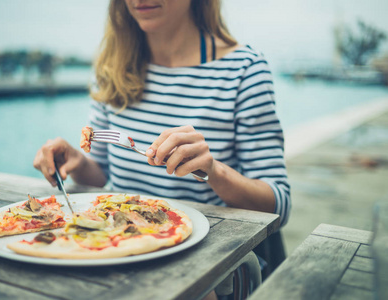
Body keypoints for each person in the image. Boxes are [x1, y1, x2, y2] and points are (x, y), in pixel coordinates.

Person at [34, 0, 290, 297]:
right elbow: (101, 172)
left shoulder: (244, 69)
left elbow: (279, 204)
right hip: (114, 251)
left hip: (211, 271)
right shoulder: (112, 65)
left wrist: (214, 170)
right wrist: (76, 161)